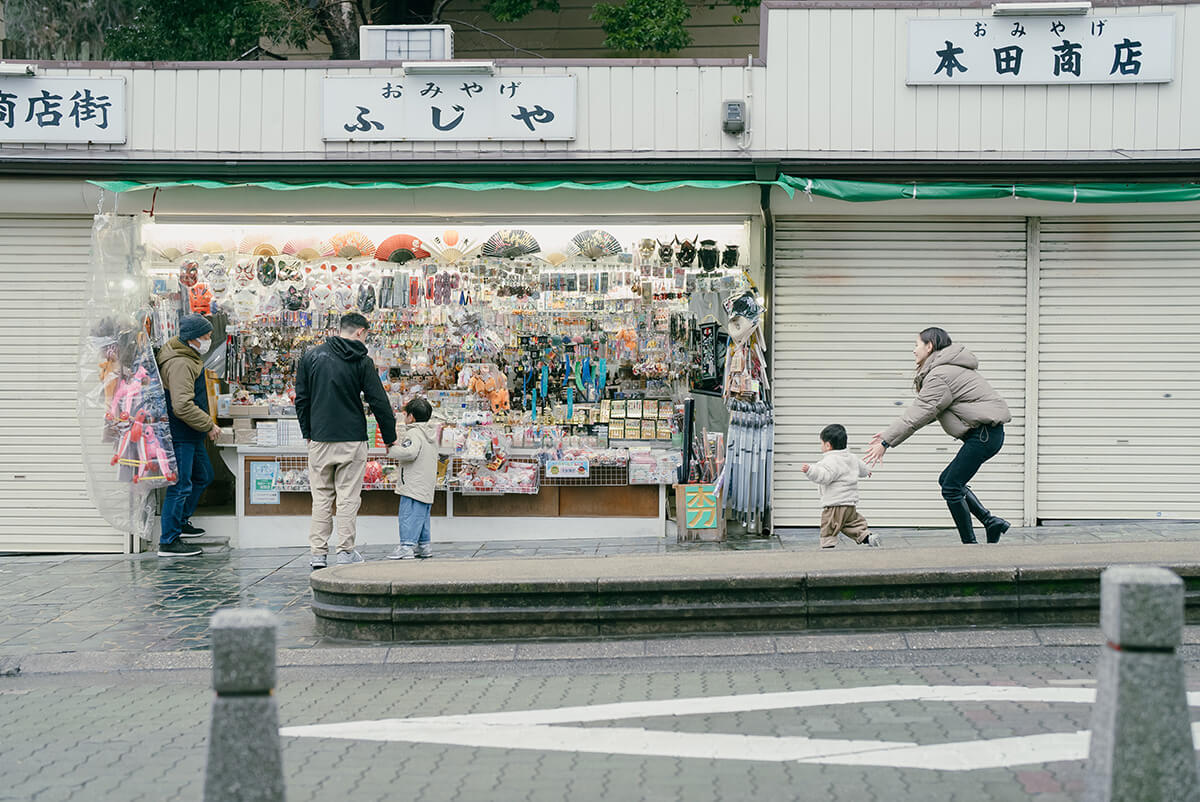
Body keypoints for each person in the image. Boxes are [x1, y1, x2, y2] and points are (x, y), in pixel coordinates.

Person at [863, 327, 1012, 545]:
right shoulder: (947, 370)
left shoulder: (940, 374)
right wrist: (887, 433)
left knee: (951, 487)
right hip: (986, 436)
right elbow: (930, 410)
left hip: (983, 436)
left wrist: (886, 441)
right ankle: (990, 522)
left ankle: (970, 545)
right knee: (949, 481)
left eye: (917, 345)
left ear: (929, 346)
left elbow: (919, 412)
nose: (914, 350)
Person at [295, 312, 396, 569]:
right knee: (348, 497)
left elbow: (302, 399)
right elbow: (379, 402)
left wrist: (307, 432)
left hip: (320, 438)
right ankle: (345, 551)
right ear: (360, 332)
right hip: (352, 438)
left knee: (321, 498)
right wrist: (390, 437)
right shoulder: (362, 362)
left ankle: (317, 553)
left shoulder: (311, 356)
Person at [156, 313, 221, 558]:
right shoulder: (181, 362)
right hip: (181, 433)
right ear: (193, 338)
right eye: (206, 336)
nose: (209, 340)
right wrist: (208, 424)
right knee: (180, 485)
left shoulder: (188, 356)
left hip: (190, 434)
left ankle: (180, 521)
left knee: (203, 475)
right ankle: (168, 541)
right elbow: (181, 405)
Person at [802, 423, 881, 549]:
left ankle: (828, 546)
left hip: (835, 504)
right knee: (852, 524)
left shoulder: (830, 460)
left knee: (829, 526)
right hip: (850, 504)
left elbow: (824, 477)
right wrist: (867, 471)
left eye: (821, 443)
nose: (821, 446)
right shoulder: (852, 457)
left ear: (828, 445)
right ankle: (867, 537)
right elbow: (862, 468)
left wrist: (810, 470)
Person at [387, 397, 438, 560]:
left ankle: (406, 546)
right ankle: (424, 546)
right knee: (422, 516)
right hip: (426, 483)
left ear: (412, 417)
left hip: (412, 483)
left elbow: (410, 452)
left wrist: (392, 450)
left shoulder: (413, 433)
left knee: (408, 515)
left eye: (406, 414)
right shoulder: (430, 433)